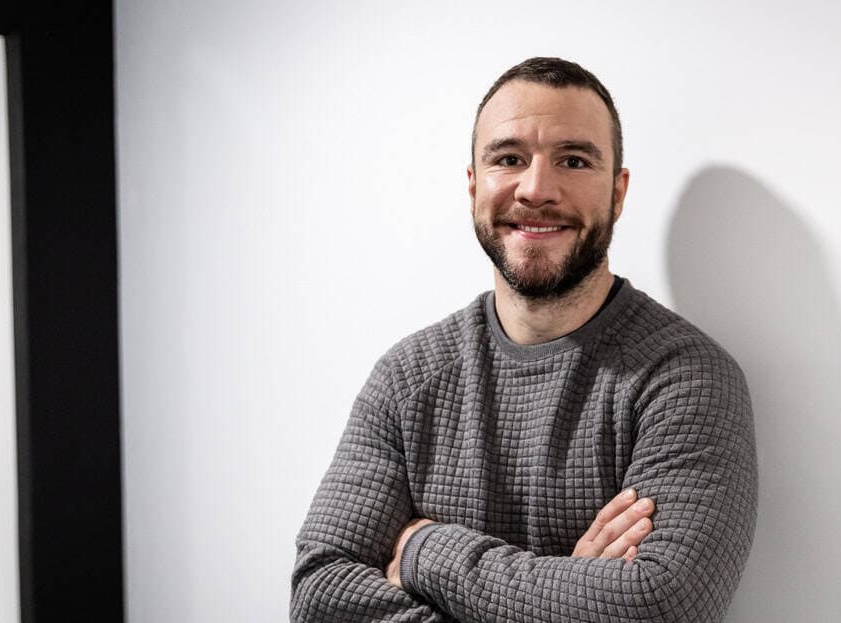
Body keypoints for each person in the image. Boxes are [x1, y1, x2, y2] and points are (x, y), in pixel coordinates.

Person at [291, 57, 757, 622]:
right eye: (509, 159)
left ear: (618, 192)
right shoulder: (407, 379)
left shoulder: (684, 378)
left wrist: (422, 550)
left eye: (573, 160)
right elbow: (319, 596)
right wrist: (571, 598)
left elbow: (660, 606)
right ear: (473, 186)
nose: (536, 190)